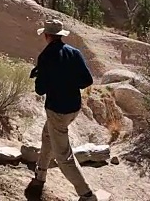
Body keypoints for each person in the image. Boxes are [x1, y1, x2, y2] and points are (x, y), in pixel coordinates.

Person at [25, 19, 97, 201]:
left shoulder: (45, 57)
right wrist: (68, 80)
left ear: (47, 36)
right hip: (73, 107)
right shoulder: (74, 53)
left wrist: (42, 75)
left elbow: (40, 90)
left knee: (63, 156)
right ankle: (40, 175)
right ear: (60, 35)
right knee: (47, 136)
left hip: (57, 109)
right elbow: (87, 81)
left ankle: (87, 195)